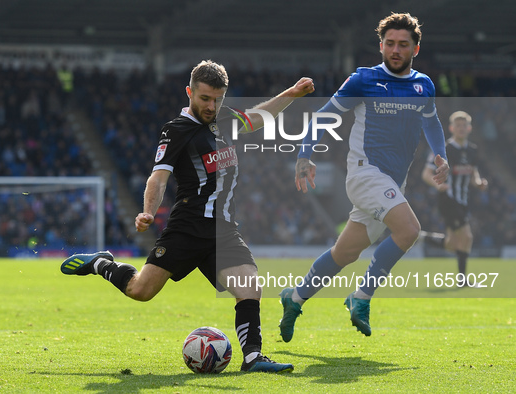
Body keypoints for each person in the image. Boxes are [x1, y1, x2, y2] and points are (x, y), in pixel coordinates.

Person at [61, 60, 315, 372]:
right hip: (188, 227)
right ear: (189, 93)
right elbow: (158, 177)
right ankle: (100, 263)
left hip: (223, 230)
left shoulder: (225, 119)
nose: (211, 106)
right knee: (141, 291)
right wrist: (147, 212)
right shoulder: (176, 130)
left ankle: (252, 358)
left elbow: (256, 118)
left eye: (218, 99)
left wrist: (292, 93)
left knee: (249, 286)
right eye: (205, 98)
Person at [278, 12, 449, 341]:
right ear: (381, 45)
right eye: (389, 44)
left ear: (416, 48)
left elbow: (431, 123)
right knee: (409, 230)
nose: (395, 49)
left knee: (345, 253)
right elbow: (324, 116)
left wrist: (441, 154)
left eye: (403, 44)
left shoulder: (423, 85)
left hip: (393, 182)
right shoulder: (364, 79)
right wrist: (304, 154)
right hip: (365, 173)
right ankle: (362, 296)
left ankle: (294, 298)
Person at [420, 111, 487, 287]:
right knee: (467, 236)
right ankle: (462, 280)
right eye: (457, 125)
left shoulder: (472, 150)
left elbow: (473, 173)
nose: (461, 128)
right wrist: (438, 185)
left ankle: (422, 238)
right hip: (448, 199)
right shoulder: (443, 149)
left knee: (453, 243)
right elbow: (426, 173)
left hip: (463, 200)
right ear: (451, 128)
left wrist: (479, 183)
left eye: (464, 125)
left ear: (469, 128)